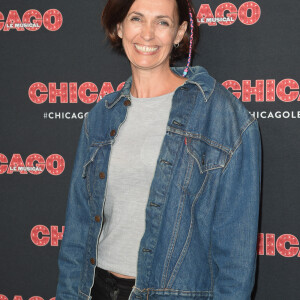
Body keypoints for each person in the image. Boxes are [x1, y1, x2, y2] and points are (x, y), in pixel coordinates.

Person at [55, 0, 262, 299]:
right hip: (94, 289)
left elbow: (236, 259)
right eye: (136, 18)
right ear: (119, 27)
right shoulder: (100, 116)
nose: (148, 34)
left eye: (162, 22)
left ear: (179, 33)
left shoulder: (222, 117)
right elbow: (77, 227)